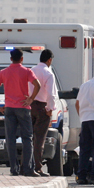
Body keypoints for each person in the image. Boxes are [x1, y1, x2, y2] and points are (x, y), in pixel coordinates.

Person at [0, 49, 41, 176]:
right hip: (23, 107)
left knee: (10, 139)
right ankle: (28, 169)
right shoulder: (27, 71)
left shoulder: (4, 72)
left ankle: (14, 169)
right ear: (22, 59)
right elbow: (37, 85)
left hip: (9, 108)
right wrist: (30, 99)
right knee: (27, 138)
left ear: (11, 59)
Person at [30, 49, 57, 177]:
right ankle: (37, 167)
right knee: (39, 139)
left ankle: (25, 166)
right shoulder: (48, 73)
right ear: (49, 60)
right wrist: (50, 109)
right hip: (42, 107)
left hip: (29, 106)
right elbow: (51, 94)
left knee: (27, 138)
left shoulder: (31, 70)